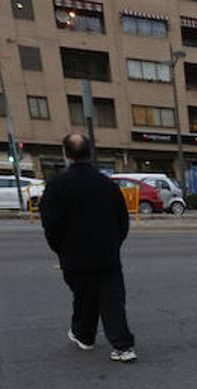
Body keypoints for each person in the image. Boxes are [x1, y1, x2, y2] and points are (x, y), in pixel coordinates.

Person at [40, 133, 137, 363]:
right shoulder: (107, 185)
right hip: (106, 254)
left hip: (74, 256)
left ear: (66, 154)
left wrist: (61, 250)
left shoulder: (57, 185)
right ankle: (122, 346)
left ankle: (85, 335)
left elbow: (51, 224)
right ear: (90, 153)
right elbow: (122, 221)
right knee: (112, 299)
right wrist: (113, 244)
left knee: (84, 297)